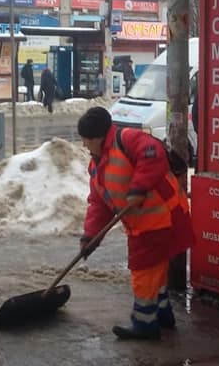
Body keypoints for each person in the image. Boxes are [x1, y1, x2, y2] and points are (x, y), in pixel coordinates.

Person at [77, 107, 194, 340]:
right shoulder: (97, 166)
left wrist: (138, 188)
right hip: (145, 223)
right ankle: (162, 314)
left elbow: (154, 154)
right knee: (155, 269)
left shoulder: (127, 139)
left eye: (87, 140)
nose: (84, 145)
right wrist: (90, 237)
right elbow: (99, 205)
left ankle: (145, 324)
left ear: (100, 138)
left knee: (143, 270)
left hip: (162, 216)